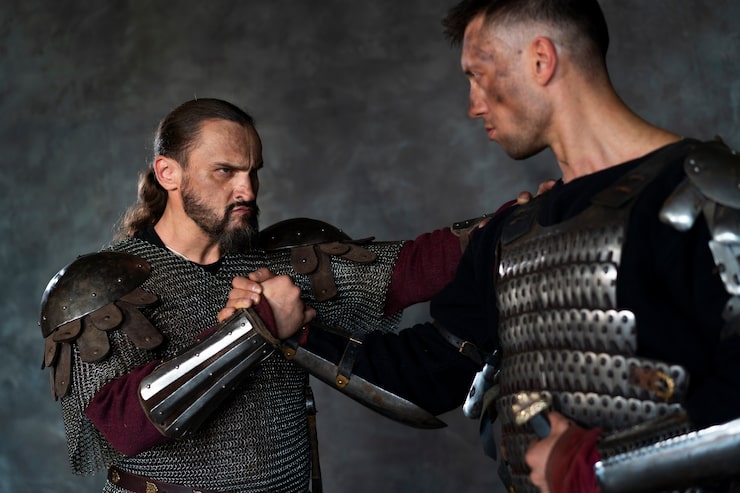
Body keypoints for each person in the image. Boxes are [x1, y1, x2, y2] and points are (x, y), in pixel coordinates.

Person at [225, 1, 740, 492]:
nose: (473, 105)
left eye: (479, 74)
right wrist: (297, 331)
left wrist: (594, 469)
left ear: (541, 60)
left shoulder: (707, 199)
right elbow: (432, 372)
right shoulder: (513, 233)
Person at [39, 98, 493, 493]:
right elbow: (123, 425)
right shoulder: (101, 287)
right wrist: (257, 325)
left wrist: (509, 228)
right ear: (168, 173)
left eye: (252, 172)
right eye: (225, 171)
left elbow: (408, 269)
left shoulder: (279, 267)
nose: (248, 191)